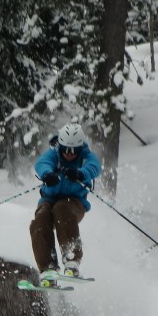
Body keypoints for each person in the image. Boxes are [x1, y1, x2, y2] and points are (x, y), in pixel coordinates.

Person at [30, 122, 102, 286]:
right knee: (40, 219)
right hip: (49, 199)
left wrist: (80, 173)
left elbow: (95, 167)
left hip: (75, 203)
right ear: (60, 146)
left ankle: (71, 259)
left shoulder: (85, 156)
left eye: (74, 150)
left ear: (80, 148)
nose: (69, 154)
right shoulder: (54, 153)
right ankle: (48, 267)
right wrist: (47, 174)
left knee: (61, 208)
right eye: (65, 149)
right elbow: (42, 163)